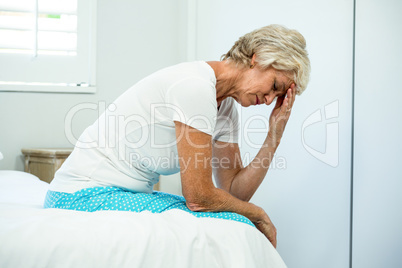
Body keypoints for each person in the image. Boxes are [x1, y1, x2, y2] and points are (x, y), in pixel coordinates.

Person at [44, 24, 310, 248]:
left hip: (114, 192)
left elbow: (233, 193)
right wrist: (259, 214)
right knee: (238, 222)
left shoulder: (226, 108)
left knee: (236, 219)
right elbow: (198, 196)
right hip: (80, 195)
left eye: (278, 96)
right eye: (274, 86)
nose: (269, 101)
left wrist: (274, 134)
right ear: (256, 58)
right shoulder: (194, 86)